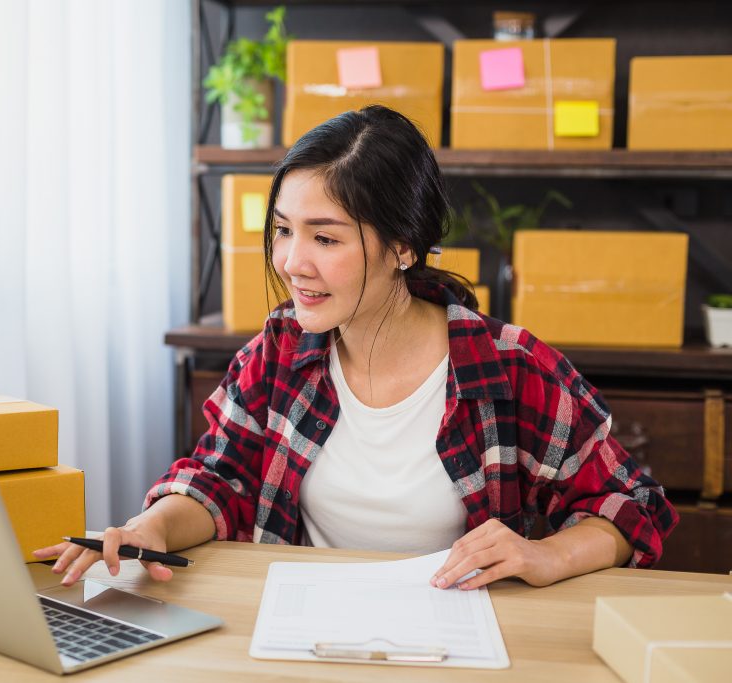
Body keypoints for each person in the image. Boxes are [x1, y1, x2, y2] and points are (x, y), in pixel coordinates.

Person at [35, 105, 677, 591]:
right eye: (284, 230)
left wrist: (548, 554)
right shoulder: (280, 352)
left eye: (327, 238)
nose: (291, 262)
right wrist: (149, 530)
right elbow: (219, 479)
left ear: (403, 246)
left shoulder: (509, 367)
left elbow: (630, 506)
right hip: (300, 628)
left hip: (456, 641)